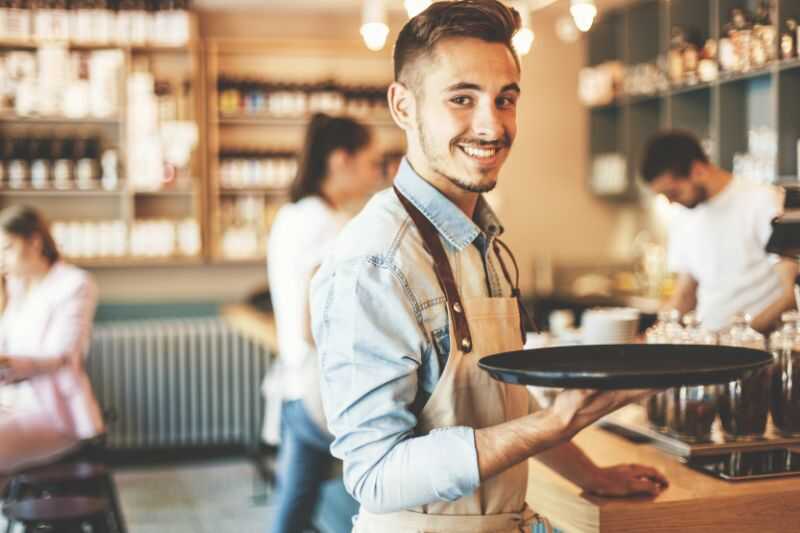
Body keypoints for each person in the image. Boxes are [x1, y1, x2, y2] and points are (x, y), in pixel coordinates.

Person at [310, 2, 668, 532]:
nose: (492, 125)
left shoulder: (486, 244)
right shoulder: (374, 262)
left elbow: (500, 411)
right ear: (403, 106)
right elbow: (375, 473)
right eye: (461, 98)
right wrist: (554, 423)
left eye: (505, 100)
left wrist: (591, 474)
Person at [266, 113, 384, 533]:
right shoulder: (326, 224)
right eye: (372, 163)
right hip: (320, 388)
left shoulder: (296, 214)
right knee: (372, 494)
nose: (377, 175)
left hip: (298, 385)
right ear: (340, 160)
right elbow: (311, 321)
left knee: (295, 505)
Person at [641, 130, 797, 333]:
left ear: (697, 170)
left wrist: (745, 339)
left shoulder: (762, 201)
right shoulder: (682, 216)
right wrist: (652, 337)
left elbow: (789, 295)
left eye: (672, 192)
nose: (670, 202)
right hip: (709, 344)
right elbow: (685, 295)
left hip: (757, 347)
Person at [0, 205, 103, 473]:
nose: (2, 258)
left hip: (53, 412)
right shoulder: (16, 287)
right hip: (11, 402)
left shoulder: (75, 284)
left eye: (8, 247)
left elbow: (63, 356)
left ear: (34, 242)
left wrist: (7, 364)